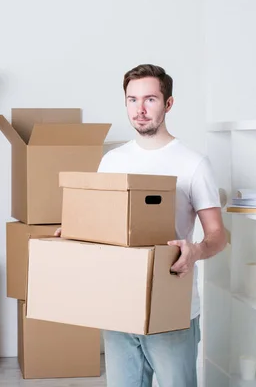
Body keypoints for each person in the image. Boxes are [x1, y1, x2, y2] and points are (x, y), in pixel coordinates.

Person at [55, 64, 227, 386]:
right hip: (119, 302)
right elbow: (104, 226)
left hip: (171, 306)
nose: (140, 109)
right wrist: (76, 234)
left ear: (169, 103)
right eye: (132, 100)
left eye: (150, 99)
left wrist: (195, 250)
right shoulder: (112, 161)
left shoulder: (193, 164)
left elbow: (218, 235)